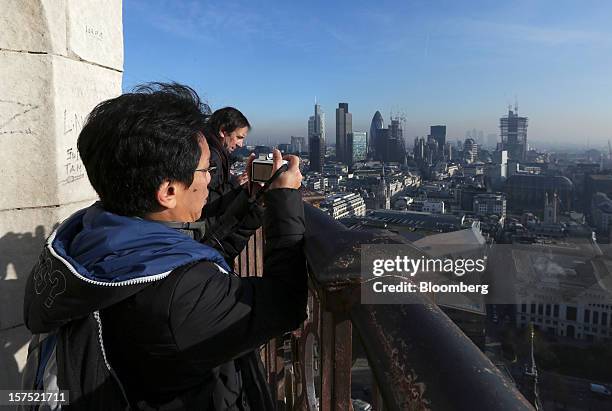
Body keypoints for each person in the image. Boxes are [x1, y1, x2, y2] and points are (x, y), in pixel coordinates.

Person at [23, 83, 307, 410]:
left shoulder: (85, 237)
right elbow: (285, 303)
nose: (210, 180)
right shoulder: (181, 297)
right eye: (207, 169)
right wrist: (285, 199)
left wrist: (252, 205)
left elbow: (196, 250)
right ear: (168, 191)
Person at [200, 107, 263, 263]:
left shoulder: (210, 150)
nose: (241, 144)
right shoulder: (212, 156)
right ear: (223, 131)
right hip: (207, 234)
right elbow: (206, 199)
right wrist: (235, 184)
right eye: (239, 137)